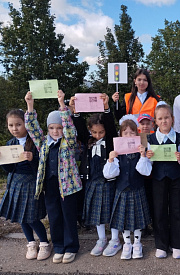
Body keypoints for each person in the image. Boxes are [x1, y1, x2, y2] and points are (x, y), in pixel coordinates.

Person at [24, 90, 82, 264]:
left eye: (59, 128)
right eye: (52, 128)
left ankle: (71, 247)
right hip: (49, 186)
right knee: (54, 216)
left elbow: (70, 127)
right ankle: (58, 246)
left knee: (68, 216)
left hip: (68, 187)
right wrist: (30, 104)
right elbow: (32, 127)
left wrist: (62, 104)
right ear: (47, 128)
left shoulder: (69, 142)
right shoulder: (43, 143)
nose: (56, 131)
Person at [70, 94, 118, 257]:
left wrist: (106, 108)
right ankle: (101, 239)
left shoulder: (110, 140)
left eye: (101, 132)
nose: (98, 135)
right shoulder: (87, 140)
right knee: (98, 213)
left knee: (111, 212)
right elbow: (80, 128)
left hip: (108, 182)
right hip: (92, 183)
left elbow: (111, 126)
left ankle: (115, 240)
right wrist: (75, 112)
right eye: (95, 132)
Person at [0, 109, 51, 261]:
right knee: (21, 217)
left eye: (18, 124)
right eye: (11, 125)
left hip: (30, 183)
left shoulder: (35, 141)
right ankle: (30, 242)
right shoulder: (10, 143)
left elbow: (41, 168)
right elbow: (10, 169)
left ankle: (44, 243)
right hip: (15, 183)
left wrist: (32, 160)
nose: (14, 128)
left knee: (31, 217)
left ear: (26, 124)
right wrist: (3, 161)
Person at [103, 116, 151, 260]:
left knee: (136, 218)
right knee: (123, 219)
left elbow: (145, 171)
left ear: (136, 135)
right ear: (121, 135)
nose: (129, 136)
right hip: (122, 190)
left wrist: (143, 156)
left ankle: (137, 243)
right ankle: (127, 243)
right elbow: (109, 175)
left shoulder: (140, 151)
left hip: (137, 189)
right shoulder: (117, 153)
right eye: (125, 133)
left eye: (132, 133)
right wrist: (111, 159)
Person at [146, 104, 180, 259]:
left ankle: (177, 244)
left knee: (177, 210)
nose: (164, 121)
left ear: (172, 119)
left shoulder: (179, 137)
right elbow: (147, 164)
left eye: (167, 117)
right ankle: (161, 245)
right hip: (158, 178)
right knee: (160, 210)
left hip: (176, 178)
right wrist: (148, 157)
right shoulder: (151, 138)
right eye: (160, 118)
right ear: (155, 121)